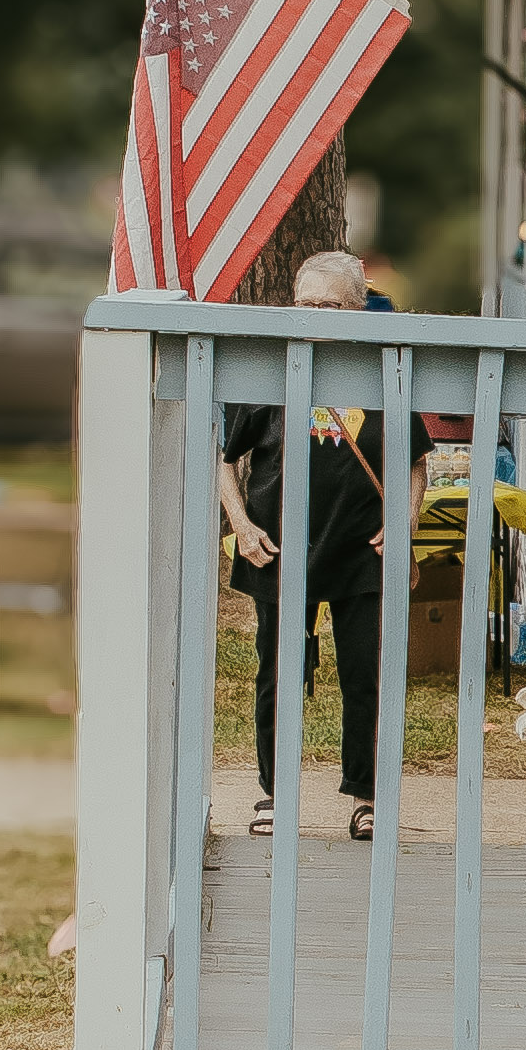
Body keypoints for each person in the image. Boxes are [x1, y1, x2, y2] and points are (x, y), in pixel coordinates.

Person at [219, 250, 387, 838]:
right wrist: (240, 524)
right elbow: (223, 459)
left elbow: (415, 461)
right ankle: (273, 793)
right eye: (306, 303)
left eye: (331, 306)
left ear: (359, 309)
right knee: (277, 673)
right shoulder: (268, 369)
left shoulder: (379, 369)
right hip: (280, 550)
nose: (315, 315)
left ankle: (368, 797)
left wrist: (406, 520)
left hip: (360, 549)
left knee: (364, 675)